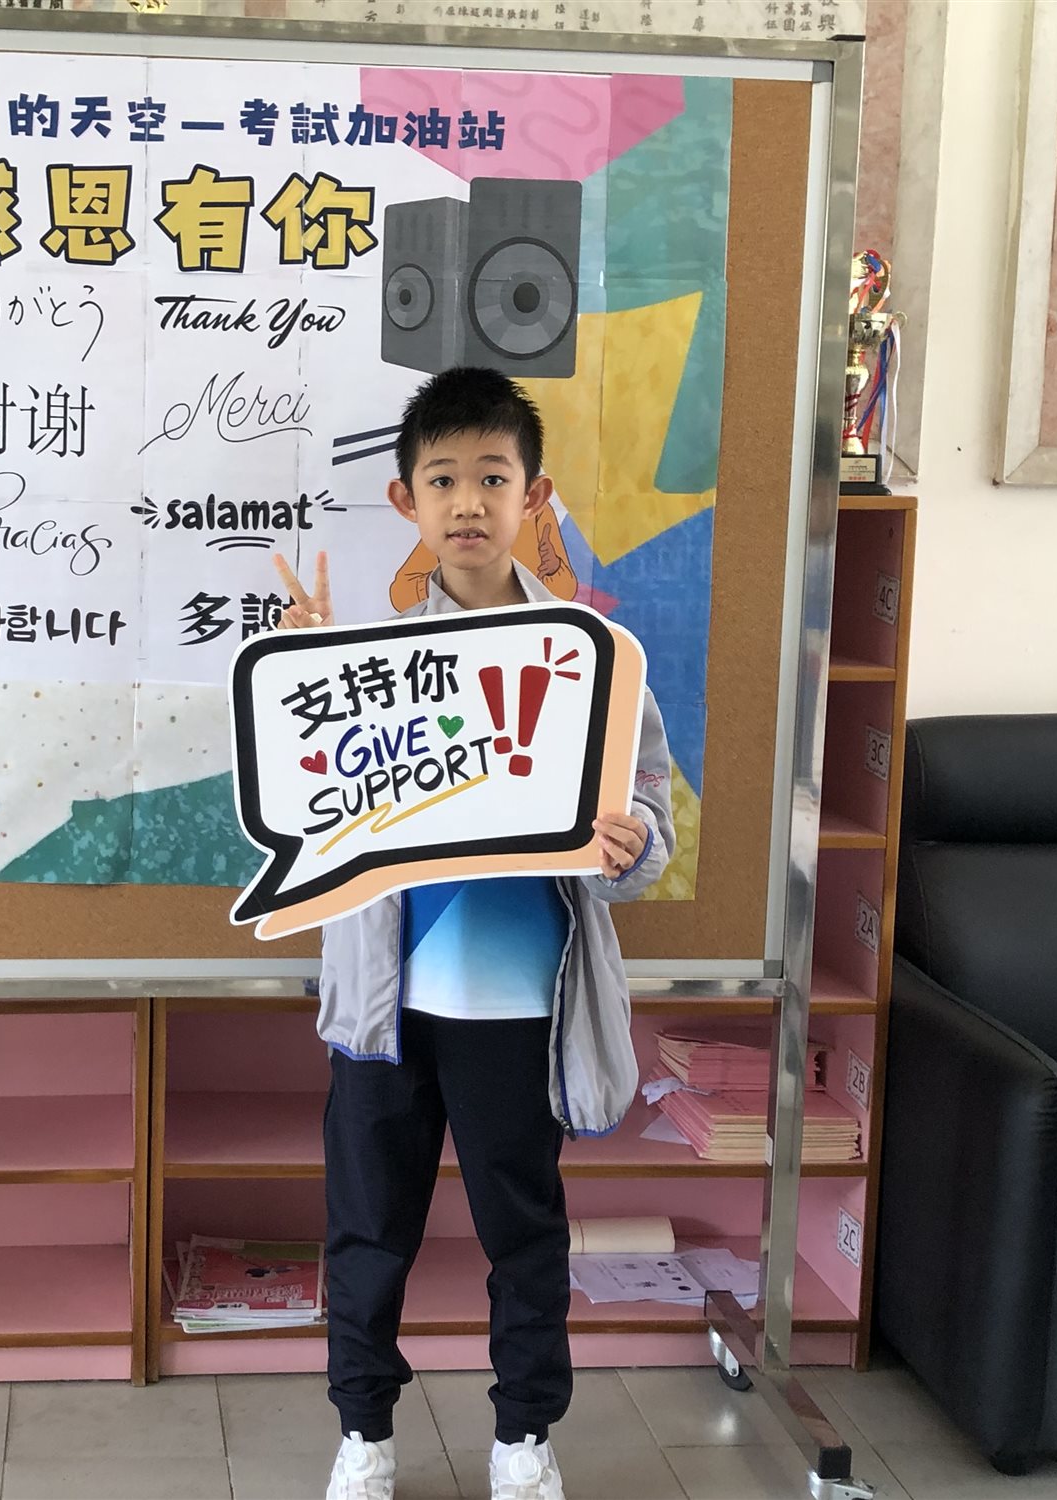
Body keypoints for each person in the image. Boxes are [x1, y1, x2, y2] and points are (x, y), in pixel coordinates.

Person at [273, 367, 676, 1500]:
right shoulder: (365, 665)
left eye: (491, 478)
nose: (467, 502)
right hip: (384, 1011)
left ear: (531, 496)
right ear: (406, 500)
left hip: (518, 1006)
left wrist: (628, 843)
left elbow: (648, 824)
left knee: (523, 1233)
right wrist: (306, 684)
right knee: (367, 1232)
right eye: (442, 479)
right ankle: (363, 1435)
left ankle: (522, 1438)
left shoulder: (590, 661)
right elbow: (309, 821)